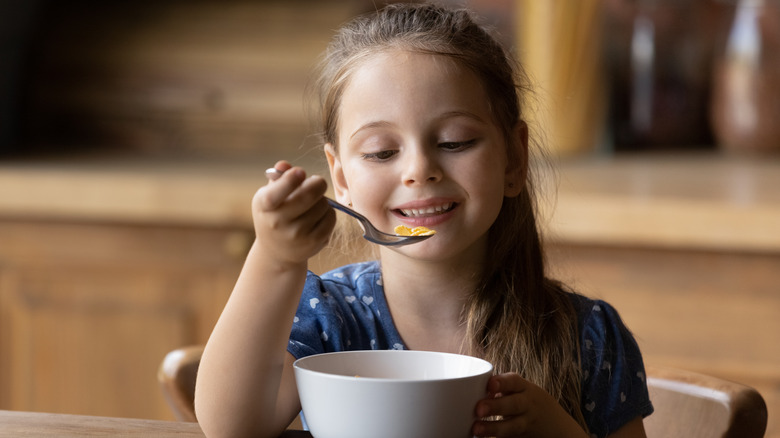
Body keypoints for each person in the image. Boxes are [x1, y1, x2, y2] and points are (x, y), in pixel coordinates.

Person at [194, 3, 654, 438]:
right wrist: (275, 258)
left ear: (514, 158)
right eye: (381, 152)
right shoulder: (329, 318)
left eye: (454, 142)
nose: (419, 170)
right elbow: (231, 425)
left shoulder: (588, 337)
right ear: (341, 178)